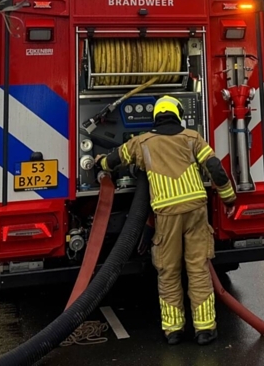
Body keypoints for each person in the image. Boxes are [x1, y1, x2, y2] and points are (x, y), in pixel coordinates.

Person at [97, 95, 237, 346]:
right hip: (196, 209)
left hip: (167, 213)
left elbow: (115, 160)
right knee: (198, 269)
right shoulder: (193, 137)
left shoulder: (142, 142)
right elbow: (215, 168)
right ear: (178, 114)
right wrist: (228, 198)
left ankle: (173, 330)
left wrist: (101, 163)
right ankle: (205, 329)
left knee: (169, 272)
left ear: (156, 116)